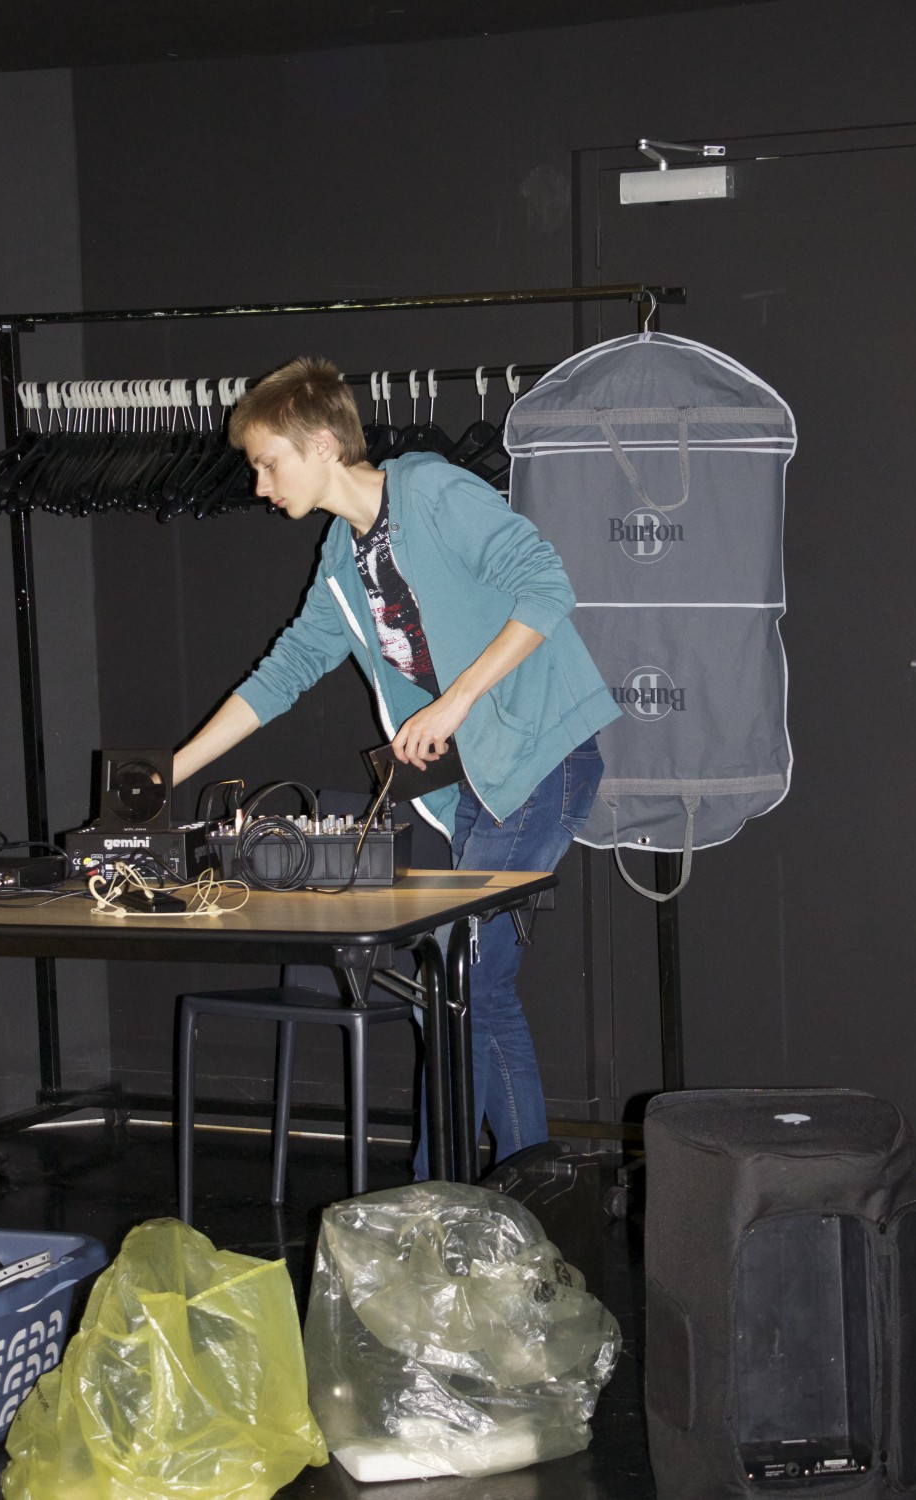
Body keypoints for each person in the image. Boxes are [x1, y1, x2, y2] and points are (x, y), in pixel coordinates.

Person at [173, 356, 621, 1178]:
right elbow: (283, 673)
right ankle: (532, 1191)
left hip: (540, 756)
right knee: (478, 988)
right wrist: (168, 772)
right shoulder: (342, 559)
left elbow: (548, 589)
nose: (260, 485)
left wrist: (454, 703)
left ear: (320, 445)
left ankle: (430, 1199)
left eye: (268, 463)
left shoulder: (432, 492)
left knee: (458, 981)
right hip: (479, 782)